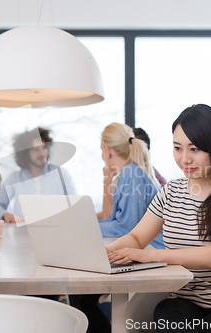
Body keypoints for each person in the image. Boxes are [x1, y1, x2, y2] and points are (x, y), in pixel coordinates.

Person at [107, 104, 211, 333]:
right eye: (177, 148)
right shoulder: (171, 192)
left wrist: (151, 255)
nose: (185, 159)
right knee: (166, 310)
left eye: (194, 149)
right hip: (188, 303)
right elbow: (136, 237)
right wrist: (105, 254)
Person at [70, 122, 164, 333]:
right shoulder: (131, 173)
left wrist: (83, 229)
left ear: (107, 150)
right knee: (80, 294)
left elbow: (126, 228)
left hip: (150, 258)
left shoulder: (131, 173)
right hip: (143, 254)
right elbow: (116, 221)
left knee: (81, 295)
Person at [0, 127, 75, 222]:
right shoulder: (14, 178)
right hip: (22, 232)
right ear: (26, 153)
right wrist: (5, 214)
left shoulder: (61, 174)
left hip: (56, 228)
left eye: (43, 147)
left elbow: (74, 205)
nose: (42, 153)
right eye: (36, 150)